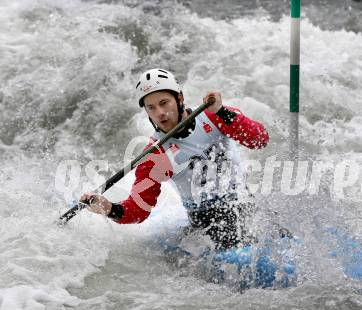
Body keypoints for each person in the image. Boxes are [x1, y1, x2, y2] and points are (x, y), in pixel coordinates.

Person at [81, 68, 269, 249]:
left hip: (244, 205)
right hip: (207, 222)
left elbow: (259, 140)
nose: (159, 113)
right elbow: (138, 211)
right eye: (151, 108)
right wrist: (108, 208)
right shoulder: (155, 154)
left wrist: (221, 111)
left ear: (179, 98)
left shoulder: (215, 116)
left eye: (164, 103)